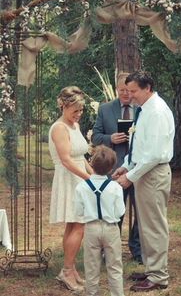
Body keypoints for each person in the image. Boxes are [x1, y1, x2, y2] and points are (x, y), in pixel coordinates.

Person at [113, 71, 175, 292]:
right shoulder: (144, 110)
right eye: (127, 91)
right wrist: (126, 165)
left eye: (133, 91)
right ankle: (151, 269)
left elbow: (155, 154)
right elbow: (140, 147)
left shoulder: (156, 111)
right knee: (146, 227)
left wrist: (130, 177)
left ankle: (159, 276)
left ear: (147, 88)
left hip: (153, 174)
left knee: (154, 226)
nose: (129, 95)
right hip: (144, 171)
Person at [91, 72, 142, 263]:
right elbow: (96, 136)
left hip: (138, 167)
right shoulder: (105, 109)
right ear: (116, 89)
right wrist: (110, 138)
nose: (126, 94)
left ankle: (137, 250)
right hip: (114, 169)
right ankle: (111, 249)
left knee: (140, 211)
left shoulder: (141, 108)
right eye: (122, 90)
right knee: (113, 211)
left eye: (129, 91)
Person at [49, 86, 93, 292]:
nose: (79, 114)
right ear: (63, 106)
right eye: (75, 110)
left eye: (81, 110)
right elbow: (66, 160)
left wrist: (95, 176)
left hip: (80, 176)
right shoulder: (59, 128)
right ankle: (67, 271)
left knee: (74, 225)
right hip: (69, 179)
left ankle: (70, 268)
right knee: (79, 225)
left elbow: (80, 156)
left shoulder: (74, 126)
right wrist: (88, 180)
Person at [74, 145, 125, 296]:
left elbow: (78, 211)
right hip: (111, 228)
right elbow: (120, 211)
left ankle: (92, 293)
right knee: (114, 265)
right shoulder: (115, 187)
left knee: (91, 265)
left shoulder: (82, 187)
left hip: (91, 228)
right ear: (111, 168)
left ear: (91, 164)